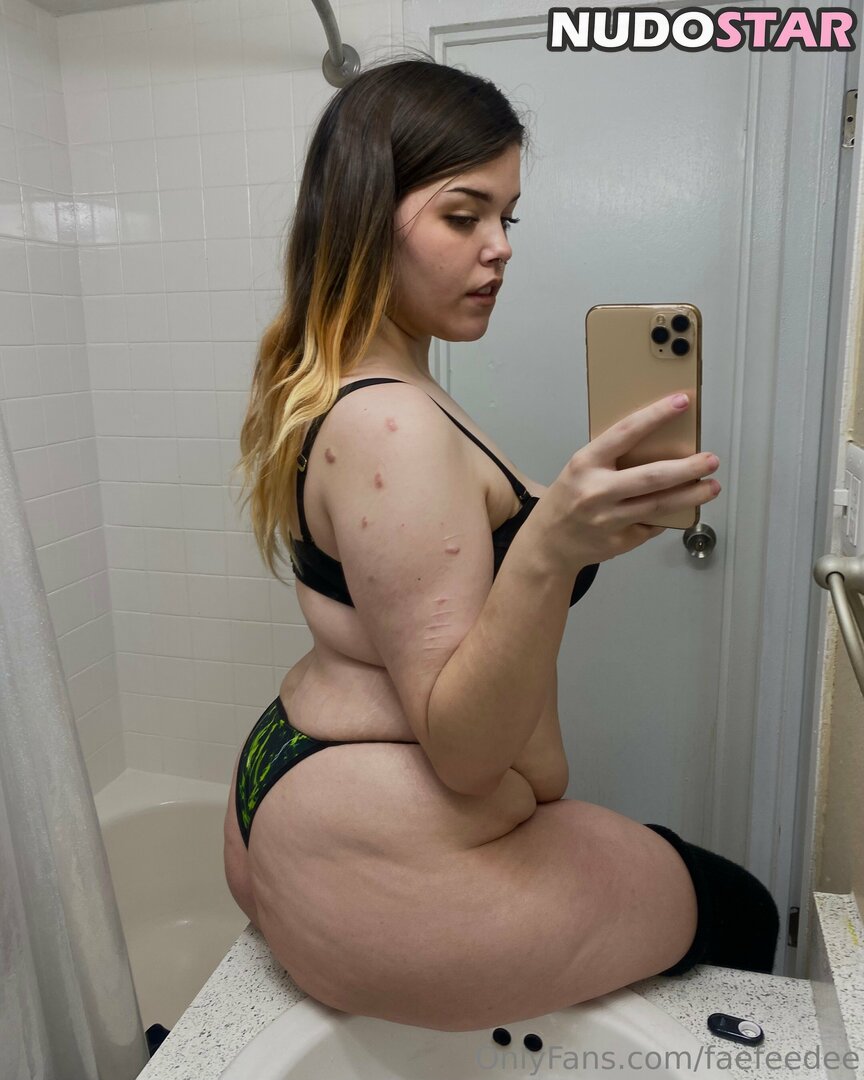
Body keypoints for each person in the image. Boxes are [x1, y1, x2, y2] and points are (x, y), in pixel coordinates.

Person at [223, 54, 779, 1032]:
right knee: (745, 908)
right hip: (383, 860)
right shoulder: (393, 424)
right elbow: (468, 754)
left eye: (508, 218)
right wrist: (550, 548)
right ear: (364, 216)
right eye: (463, 215)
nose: (500, 249)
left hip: (298, 787)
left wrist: (577, 534)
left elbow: (434, 583)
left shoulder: (358, 383)